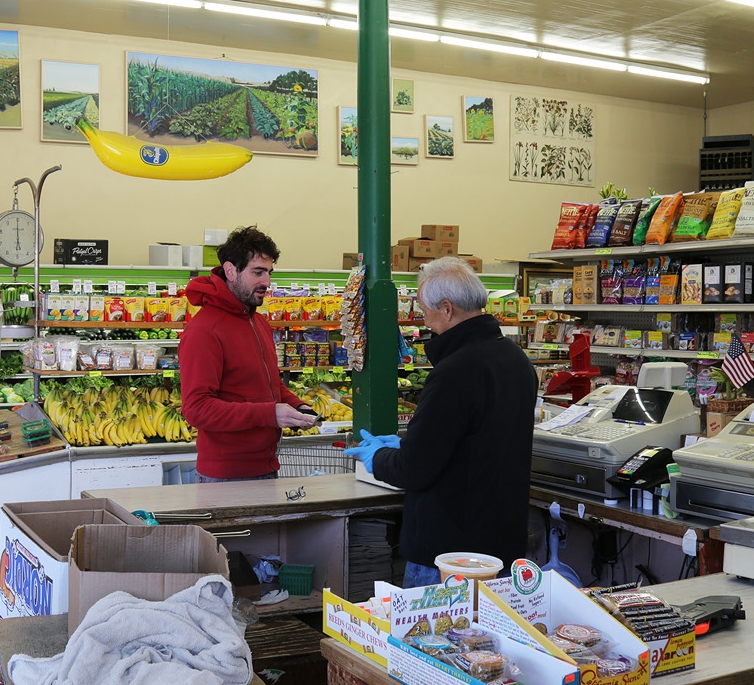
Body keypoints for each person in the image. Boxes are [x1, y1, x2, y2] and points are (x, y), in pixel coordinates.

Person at [345, 257, 538, 587]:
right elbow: (474, 442)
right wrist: (405, 444)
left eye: (425, 311)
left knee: (434, 624)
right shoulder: (516, 359)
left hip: (447, 557)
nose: (425, 320)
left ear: (447, 309)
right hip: (501, 548)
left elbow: (415, 469)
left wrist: (378, 458)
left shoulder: (455, 371)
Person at [181, 226, 315, 481]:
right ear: (231, 271)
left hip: (267, 464)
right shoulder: (204, 330)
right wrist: (270, 414)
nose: (267, 282)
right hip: (227, 477)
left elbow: (269, 383)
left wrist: (298, 406)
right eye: (258, 272)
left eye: (269, 273)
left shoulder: (259, 322)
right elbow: (197, 409)